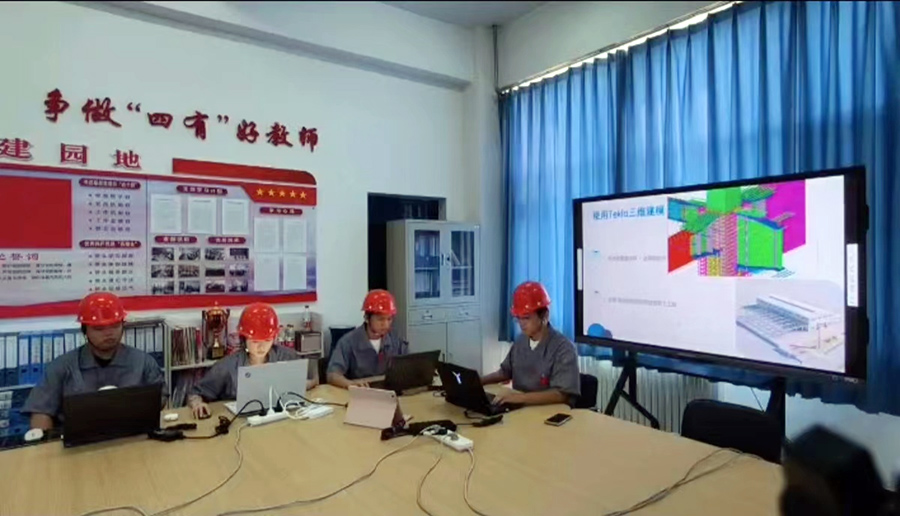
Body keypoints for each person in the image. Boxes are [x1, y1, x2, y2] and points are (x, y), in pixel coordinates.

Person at [22, 292, 167, 431]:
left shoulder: (143, 361)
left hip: (132, 435)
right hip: (77, 440)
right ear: (85, 330)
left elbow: (161, 400)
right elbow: (40, 412)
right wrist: (46, 441)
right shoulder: (61, 366)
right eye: (99, 328)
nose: (109, 333)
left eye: (115, 325)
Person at [188, 302, 318, 419]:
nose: (261, 347)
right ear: (244, 339)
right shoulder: (227, 366)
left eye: (267, 340)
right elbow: (195, 393)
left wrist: (307, 384)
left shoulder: (287, 356)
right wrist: (197, 404)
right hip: (240, 422)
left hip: (280, 418)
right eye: (255, 341)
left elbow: (304, 383)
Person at [481, 281, 581, 406]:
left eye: (526, 318)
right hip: (521, 407)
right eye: (518, 318)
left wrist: (519, 398)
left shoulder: (563, 348)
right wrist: (478, 381)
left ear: (544, 316)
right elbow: (505, 372)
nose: (521, 323)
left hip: (548, 411)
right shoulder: (521, 341)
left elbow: (561, 394)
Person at [327, 289, 409, 389]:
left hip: (390, 391)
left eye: (389, 319)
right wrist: (349, 384)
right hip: (360, 393)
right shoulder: (348, 342)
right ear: (367, 318)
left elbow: (410, 366)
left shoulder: (395, 340)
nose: (386, 324)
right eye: (380, 319)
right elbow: (332, 375)